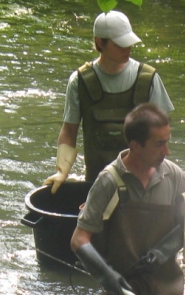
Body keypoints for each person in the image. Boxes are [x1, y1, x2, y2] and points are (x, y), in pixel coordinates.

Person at [70, 104, 185, 295]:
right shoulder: (109, 181)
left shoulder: (175, 176)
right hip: (122, 288)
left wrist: (160, 254)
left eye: (168, 141)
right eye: (159, 144)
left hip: (165, 285)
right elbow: (79, 239)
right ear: (136, 146)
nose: (167, 151)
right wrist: (107, 276)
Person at [45, 10, 175, 191]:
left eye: (129, 43)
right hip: (96, 182)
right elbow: (69, 129)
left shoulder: (148, 79)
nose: (127, 49)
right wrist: (61, 171)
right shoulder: (79, 81)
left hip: (142, 183)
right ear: (100, 42)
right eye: (120, 45)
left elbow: (162, 134)